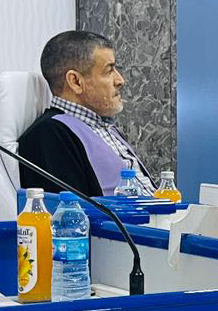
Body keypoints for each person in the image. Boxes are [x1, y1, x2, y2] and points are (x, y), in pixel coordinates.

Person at [17, 30, 156, 197]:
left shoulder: (105, 127)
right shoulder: (48, 135)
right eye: (109, 71)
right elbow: (69, 209)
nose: (120, 80)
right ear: (76, 81)